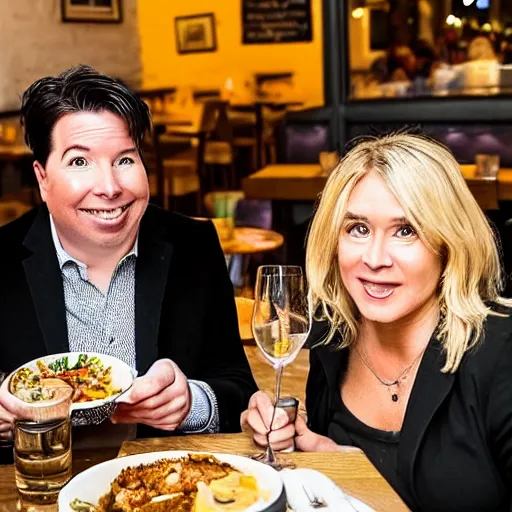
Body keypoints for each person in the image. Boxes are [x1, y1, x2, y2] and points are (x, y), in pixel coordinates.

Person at [242, 133, 512, 510]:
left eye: (405, 231)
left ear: (449, 243)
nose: (374, 258)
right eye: (358, 229)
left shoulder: (500, 354)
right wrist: (329, 455)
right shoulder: (332, 338)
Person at [0, 65, 257, 446]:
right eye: (79, 162)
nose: (109, 187)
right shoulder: (2, 261)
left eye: (124, 159)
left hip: (165, 483)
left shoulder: (193, 245)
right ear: (42, 178)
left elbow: (238, 389)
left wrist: (191, 403)